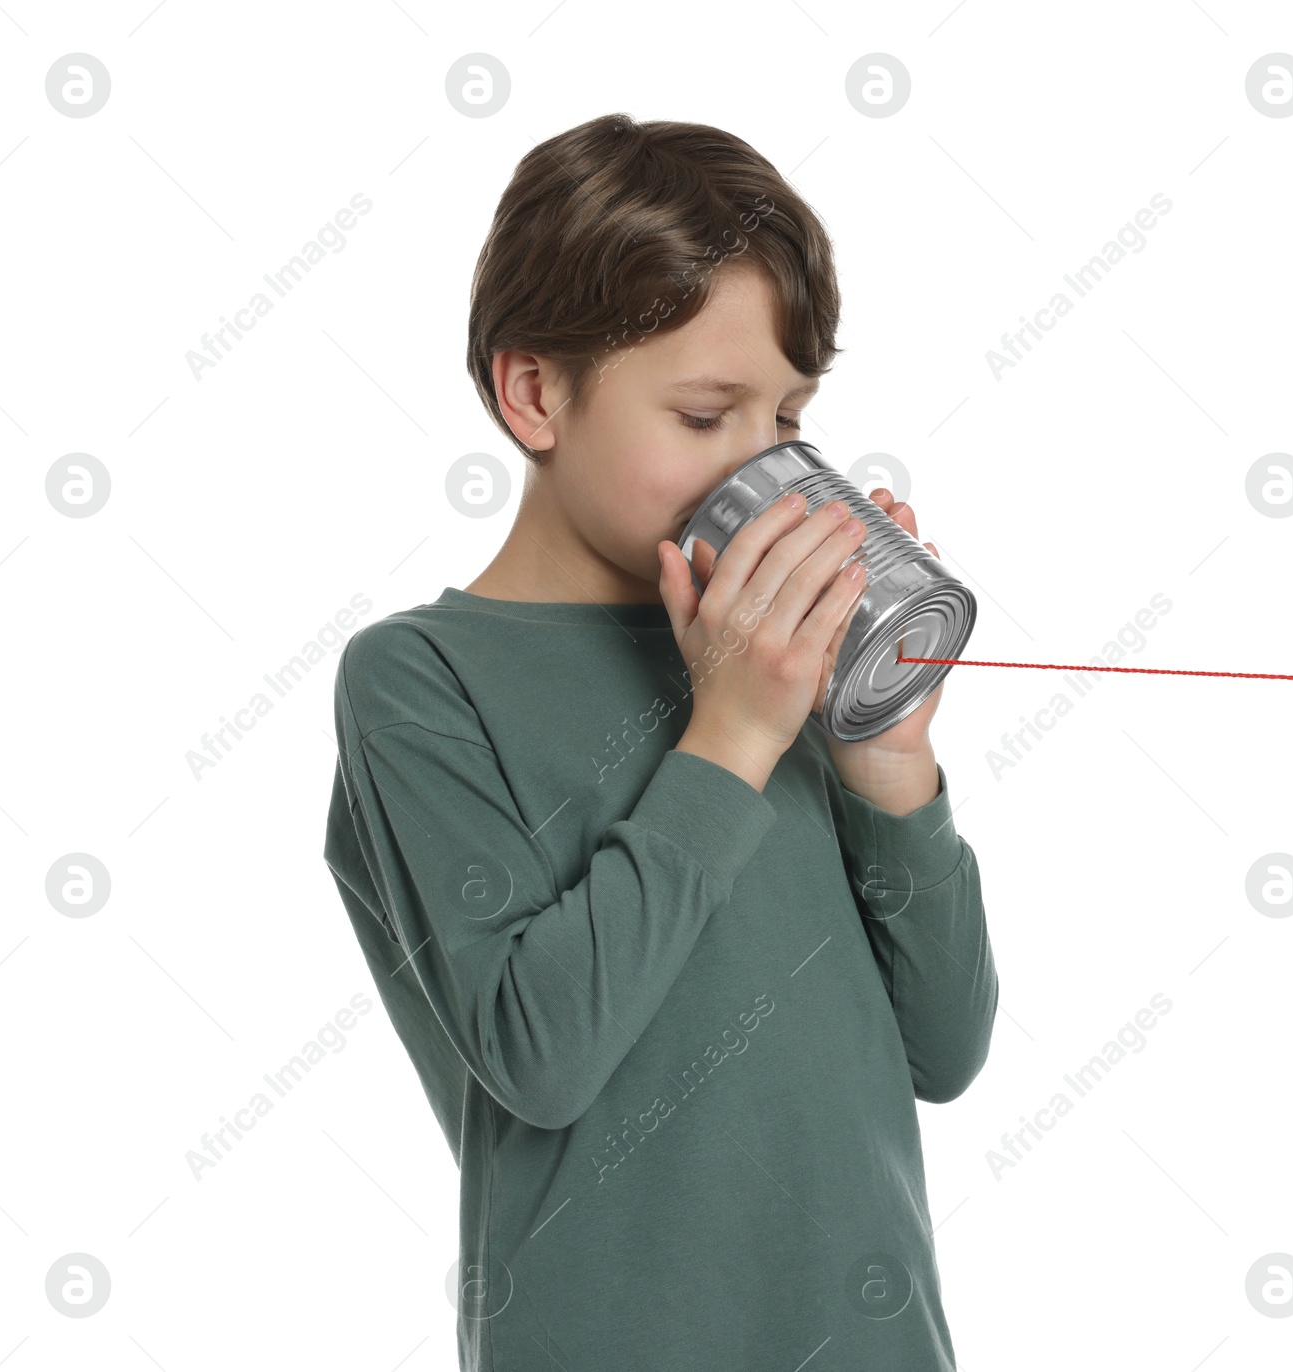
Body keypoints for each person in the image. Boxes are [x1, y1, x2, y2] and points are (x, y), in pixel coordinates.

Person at [323, 111, 998, 1371]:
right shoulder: (418, 682)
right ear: (535, 393)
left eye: (790, 420)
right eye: (704, 415)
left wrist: (885, 759)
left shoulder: (772, 669)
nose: (766, 467)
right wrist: (731, 731)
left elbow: (945, 1049)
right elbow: (541, 1054)